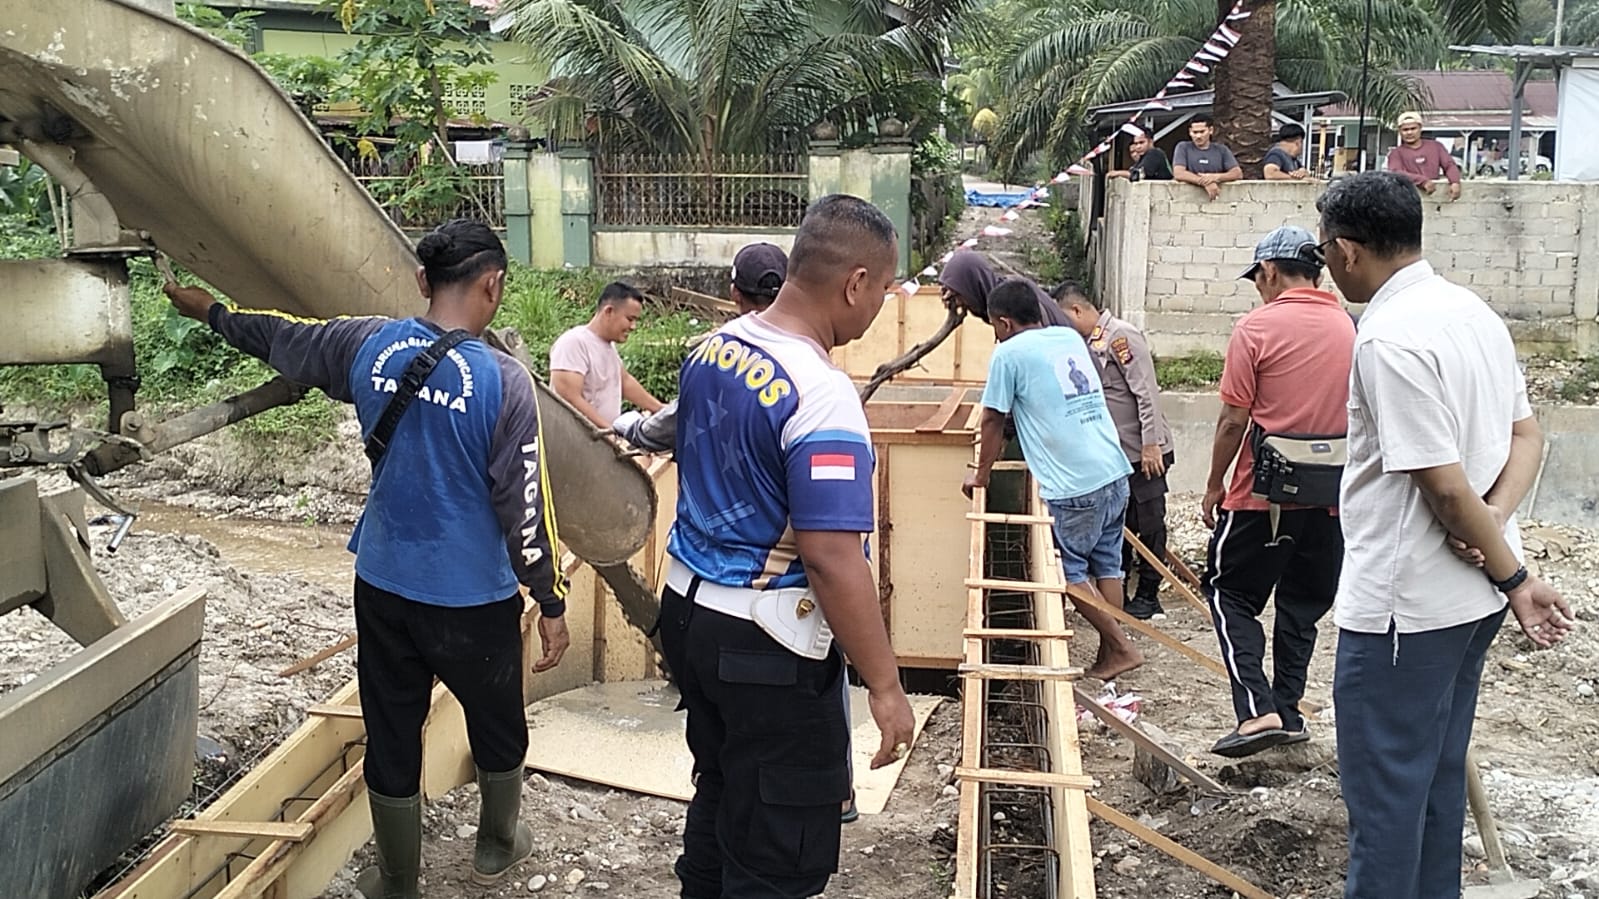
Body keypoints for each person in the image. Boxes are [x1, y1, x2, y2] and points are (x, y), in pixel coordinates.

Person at [162, 220, 570, 899]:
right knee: (497, 720)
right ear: (493, 285)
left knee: (391, 728)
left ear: (422, 281)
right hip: (473, 599)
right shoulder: (504, 381)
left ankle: (398, 880)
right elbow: (525, 507)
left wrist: (212, 312)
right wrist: (550, 600)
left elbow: (278, 337)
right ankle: (497, 845)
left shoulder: (364, 343)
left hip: (384, 584)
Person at [1318, 172, 1571, 899]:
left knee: (1385, 807)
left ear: (1346, 250)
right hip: (1466, 605)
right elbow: (1527, 437)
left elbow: (1444, 488)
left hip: (1407, 610)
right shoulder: (1470, 311)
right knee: (1430, 781)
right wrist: (1497, 528)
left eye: (1325, 250)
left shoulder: (1388, 338)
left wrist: (1511, 573)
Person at [657, 194, 916, 899]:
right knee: (778, 847)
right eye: (883, 288)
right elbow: (831, 557)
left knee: (722, 786)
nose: (880, 305)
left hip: (687, 611)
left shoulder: (713, 348)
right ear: (855, 284)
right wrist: (885, 686)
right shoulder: (820, 393)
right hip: (764, 642)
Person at [1198, 224, 1354, 758]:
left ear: (1268, 271)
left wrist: (1214, 484)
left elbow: (1232, 419)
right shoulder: (1352, 328)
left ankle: (1255, 711)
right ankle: (1287, 712)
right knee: (1302, 605)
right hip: (1331, 498)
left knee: (1229, 593)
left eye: (1257, 279)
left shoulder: (1256, 328)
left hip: (1262, 498)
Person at [964, 278, 1143, 680]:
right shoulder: (1068, 337)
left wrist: (981, 474)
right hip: (1113, 470)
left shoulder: (1008, 353)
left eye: (994, 326)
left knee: (1069, 572)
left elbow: (992, 418)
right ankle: (1110, 654)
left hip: (1073, 484)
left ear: (1004, 322)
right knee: (1108, 565)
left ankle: (1120, 647)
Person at [1055, 283, 1174, 620]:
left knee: (1149, 523)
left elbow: (1146, 392)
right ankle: (1123, 596)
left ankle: (1149, 595)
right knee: (1122, 525)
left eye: (1064, 318)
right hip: (1116, 456)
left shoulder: (1120, 336)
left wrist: (1151, 444)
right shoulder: (1089, 343)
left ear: (1077, 310)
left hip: (1143, 452)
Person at [612, 242, 787, 453]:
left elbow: (680, 419)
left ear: (734, 293)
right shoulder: (810, 353)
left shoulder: (713, 354)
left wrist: (636, 429)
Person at [549, 281, 664, 429]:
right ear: (609, 311)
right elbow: (570, 397)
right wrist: (609, 432)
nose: (633, 327)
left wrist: (661, 410)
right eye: (630, 319)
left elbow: (625, 382)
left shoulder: (608, 346)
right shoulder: (573, 343)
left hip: (603, 439)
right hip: (579, 440)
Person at [938, 249, 1072, 327]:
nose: (959, 303)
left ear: (974, 286)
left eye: (960, 295)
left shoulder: (1013, 301)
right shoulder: (1004, 291)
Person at [1384, 111, 1462, 201]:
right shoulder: (1395, 153)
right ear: (1400, 131)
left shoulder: (1436, 146)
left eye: (1413, 128)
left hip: (1434, 200)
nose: (1409, 132)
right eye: (1405, 130)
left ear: (1420, 128)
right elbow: (1397, 173)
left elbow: (1449, 165)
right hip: (1408, 199)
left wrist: (1455, 182)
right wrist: (1422, 181)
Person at [1172, 115, 1243, 201]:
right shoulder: (1183, 147)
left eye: (1202, 132)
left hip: (1218, 199)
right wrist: (1205, 182)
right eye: (1195, 132)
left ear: (1211, 130)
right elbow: (1179, 173)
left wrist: (1215, 177)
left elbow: (1237, 173)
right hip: (1186, 198)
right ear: (1190, 132)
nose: (1198, 136)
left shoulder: (1222, 149)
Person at [1108, 128, 1173, 182]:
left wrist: (1117, 173)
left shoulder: (1154, 153)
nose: (1138, 147)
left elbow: (1138, 175)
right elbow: (1133, 171)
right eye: (1136, 144)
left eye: (1141, 142)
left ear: (1151, 142)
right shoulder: (1143, 157)